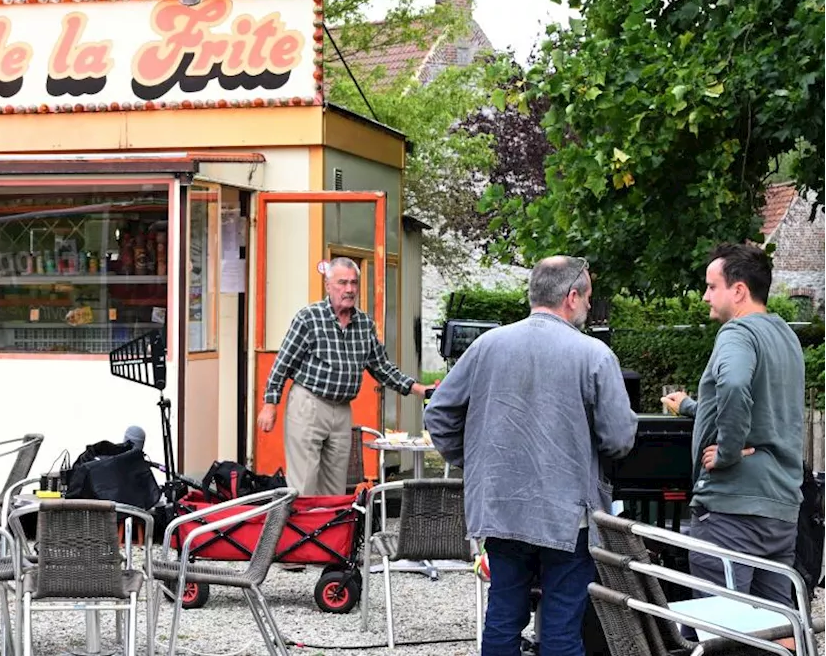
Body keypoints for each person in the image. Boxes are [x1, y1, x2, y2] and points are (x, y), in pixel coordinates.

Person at [424, 255, 638, 656]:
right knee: (561, 626)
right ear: (572, 297)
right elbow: (619, 438)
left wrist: (476, 462)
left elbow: (438, 413)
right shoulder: (594, 355)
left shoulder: (485, 346)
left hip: (501, 506)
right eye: (589, 297)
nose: (590, 306)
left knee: (503, 615)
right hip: (569, 515)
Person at [661, 243, 805, 620]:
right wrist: (693, 407)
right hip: (780, 511)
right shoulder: (787, 337)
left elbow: (735, 384)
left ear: (738, 290)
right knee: (774, 631)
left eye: (712, 286)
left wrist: (726, 450)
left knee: (723, 632)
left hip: (732, 513)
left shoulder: (737, 332)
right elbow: (763, 406)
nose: (706, 295)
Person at [257, 257, 430, 497]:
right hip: (308, 403)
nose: (349, 289)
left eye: (353, 283)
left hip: (342, 410)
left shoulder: (364, 324)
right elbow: (283, 363)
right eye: (342, 283)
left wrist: (418, 388)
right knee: (304, 484)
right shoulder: (309, 318)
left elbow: (382, 368)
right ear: (328, 286)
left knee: (335, 488)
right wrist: (270, 404)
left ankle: (328, 534)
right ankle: (300, 533)